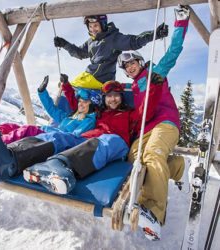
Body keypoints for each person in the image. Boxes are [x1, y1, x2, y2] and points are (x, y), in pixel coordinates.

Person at [116, 5, 191, 240]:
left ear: (139, 61)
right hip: (145, 130)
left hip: (165, 123)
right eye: (126, 66)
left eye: (132, 62)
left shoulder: (155, 73)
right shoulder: (131, 89)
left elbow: (173, 51)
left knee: (153, 156)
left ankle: (154, 213)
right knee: (134, 158)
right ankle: (177, 166)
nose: (130, 66)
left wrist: (180, 23)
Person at [23, 79, 162, 195]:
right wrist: (66, 85)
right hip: (87, 139)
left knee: (108, 140)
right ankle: (17, 155)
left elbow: (146, 111)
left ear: (121, 97)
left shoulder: (130, 114)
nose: (113, 99)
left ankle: (60, 166)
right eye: (109, 96)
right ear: (104, 98)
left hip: (115, 144)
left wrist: (155, 86)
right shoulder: (99, 113)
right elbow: (78, 104)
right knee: (60, 136)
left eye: (116, 95)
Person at [0, 75, 97, 187]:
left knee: (27, 130)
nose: (81, 104)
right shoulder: (70, 116)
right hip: (47, 132)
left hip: (52, 137)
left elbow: (73, 137)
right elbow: (52, 109)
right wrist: (42, 92)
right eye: (80, 101)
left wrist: (51, 132)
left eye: (85, 102)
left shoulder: (88, 121)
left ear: (92, 105)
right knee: (14, 127)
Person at [54, 15, 168, 89]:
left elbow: (134, 41)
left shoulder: (113, 38)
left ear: (102, 25)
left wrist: (156, 34)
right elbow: (79, 53)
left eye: (96, 26)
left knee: (67, 89)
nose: (93, 29)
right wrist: (64, 44)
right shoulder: (91, 42)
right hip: (88, 77)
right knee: (64, 88)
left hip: (100, 80)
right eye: (90, 27)